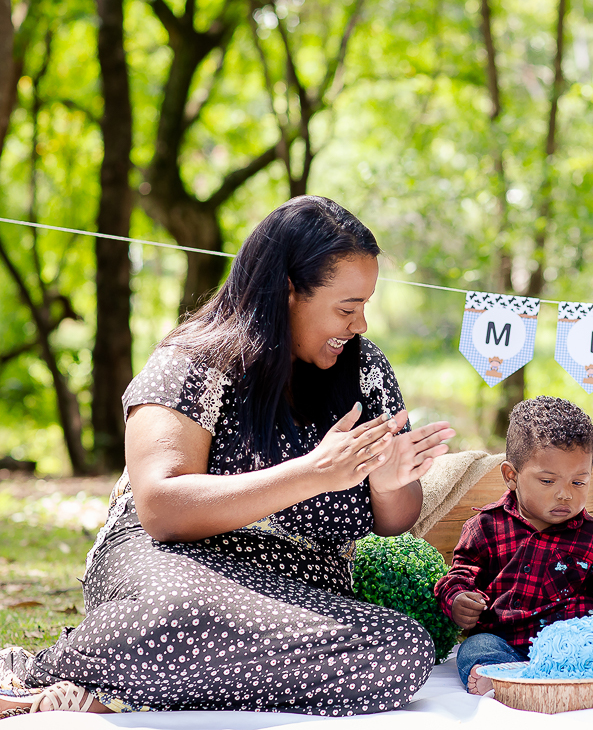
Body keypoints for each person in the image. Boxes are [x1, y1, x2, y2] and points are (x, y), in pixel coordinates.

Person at [0, 196, 456, 717]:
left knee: (400, 650)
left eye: (364, 307)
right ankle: (37, 671)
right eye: (347, 308)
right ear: (287, 291)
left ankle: (127, 691)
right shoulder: (194, 358)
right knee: (175, 613)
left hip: (293, 593)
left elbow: (396, 521)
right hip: (173, 565)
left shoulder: (365, 370)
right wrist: (312, 473)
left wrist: (388, 481)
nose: (360, 325)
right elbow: (161, 509)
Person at [434, 396, 593, 696]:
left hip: (570, 642)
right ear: (511, 476)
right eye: (547, 481)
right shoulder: (487, 527)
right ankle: (500, 678)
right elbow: (460, 574)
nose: (565, 495)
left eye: (578, 483)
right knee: (476, 647)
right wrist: (458, 599)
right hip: (504, 638)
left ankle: (564, 677)